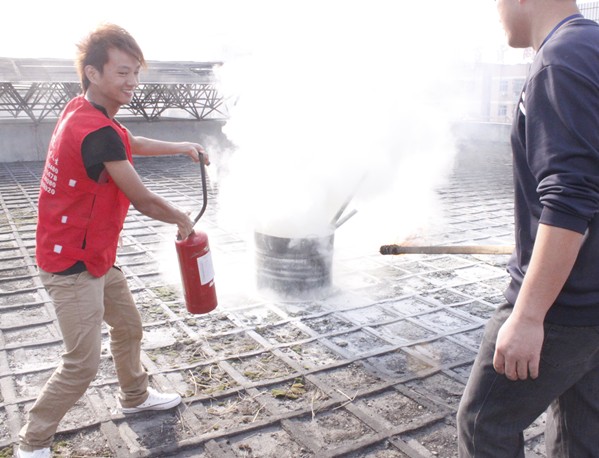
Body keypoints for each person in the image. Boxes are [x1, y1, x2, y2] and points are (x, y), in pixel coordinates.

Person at [17, 24, 210, 458]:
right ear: (93, 73)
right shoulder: (95, 129)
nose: (132, 83)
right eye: (122, 72)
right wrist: (182, 219)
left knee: (127, 326)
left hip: (93, 255)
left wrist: (182, 146)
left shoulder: (85, 112)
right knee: (81, 365)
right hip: (72, 266)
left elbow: (130, 142)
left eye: (135, 73)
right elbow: (141, 199)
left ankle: (135, 395)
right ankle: (33, 443)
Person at [457, 0, 599, 456]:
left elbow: (570, 197)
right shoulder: (592, 44)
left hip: (563, 306)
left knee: (484, 424)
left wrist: (529, 315)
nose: (493, 12)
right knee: (582, 436)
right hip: (592, 302)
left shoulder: (559, 60)